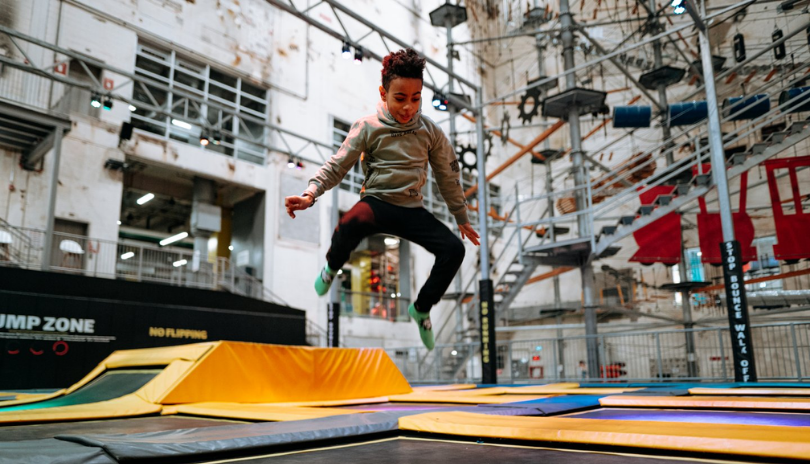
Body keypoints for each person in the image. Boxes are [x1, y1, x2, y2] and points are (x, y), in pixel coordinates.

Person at [284, 48, 479, 351]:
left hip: (412, 209)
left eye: (416, 99)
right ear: (384, 92)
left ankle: (422, 309)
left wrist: (461, 217)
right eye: (400, 98)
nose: (408, 108)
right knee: (349, 224)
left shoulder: (431, 132)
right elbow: (338, 164)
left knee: (453, 250)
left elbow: (448, 176)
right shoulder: (368, 126)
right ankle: (331, 268)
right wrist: (311, 193)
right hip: (377, 203)